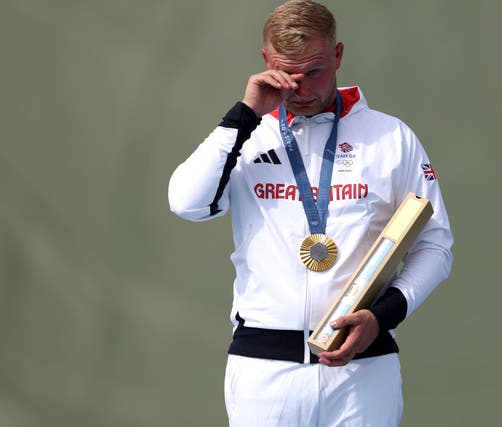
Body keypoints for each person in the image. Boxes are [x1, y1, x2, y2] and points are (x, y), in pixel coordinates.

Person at [168, 1, 453, 425]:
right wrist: (245, 115)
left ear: (338, 55)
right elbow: (187, 203)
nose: (300, 89)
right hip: (263, 370)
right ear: (266, 61)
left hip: (363, 370)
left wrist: (382, 316)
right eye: (288, 73)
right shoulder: (247, 136)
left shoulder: (391, 137)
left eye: (314, 72)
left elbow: (435, 246)